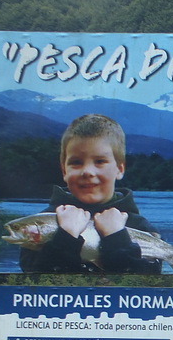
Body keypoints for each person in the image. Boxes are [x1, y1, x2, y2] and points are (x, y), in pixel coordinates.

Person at [19, 114, 162, 273]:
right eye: (76, 162)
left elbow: (146, 287)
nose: (87, 172)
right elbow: (33, 285)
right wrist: (66, 236)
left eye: (100, 161)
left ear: (119, 169)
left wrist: (116, 238)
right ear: (64, 170)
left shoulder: (140, 226)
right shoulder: (41, 223)